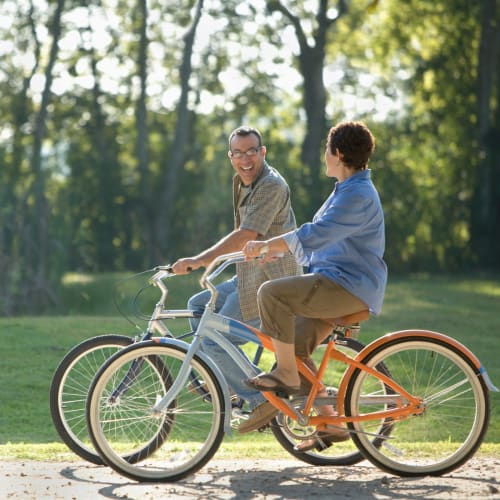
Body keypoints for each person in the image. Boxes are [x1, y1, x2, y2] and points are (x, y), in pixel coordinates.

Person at [241, 120, 387, 449]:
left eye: (326, 150)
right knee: (295, 348)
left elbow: (315, 234)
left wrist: (267, 245)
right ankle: (331, 423)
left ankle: (286, 378)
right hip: (338, 281)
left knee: (271, 294)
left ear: (337, 153)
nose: (324, 156)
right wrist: (275, 254)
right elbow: (323, 241)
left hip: (348, 286)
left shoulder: (357, 195)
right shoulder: (347, 189)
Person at [172, 125, 302, 417]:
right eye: (238, 153)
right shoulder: (241, 181)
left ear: (262, 152)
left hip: (272, 284)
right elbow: (244, 238)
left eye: (252, 152)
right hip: (249, 275)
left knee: (215, 340)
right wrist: (224, 261)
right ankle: (223, 382)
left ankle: (260, 400)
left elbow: (247, 234)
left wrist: (200, 259)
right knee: (197, 306)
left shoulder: (271, 185)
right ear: (230, 156)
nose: (245, 160)